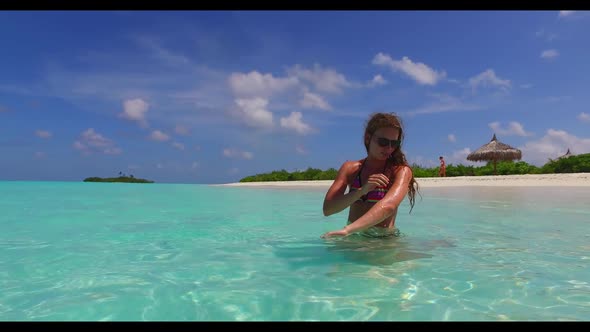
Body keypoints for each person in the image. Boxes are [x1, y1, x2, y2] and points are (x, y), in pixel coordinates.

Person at [321, 112, 419, 239]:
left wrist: (348, 230)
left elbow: (389, 206)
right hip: (354, 237)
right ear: (368, 138)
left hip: (383, 241)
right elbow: (328, 209)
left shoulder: (400, 171)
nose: (389, 148)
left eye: (394, 144)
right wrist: (361, 191)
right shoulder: (351, 169)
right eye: (383, 142)